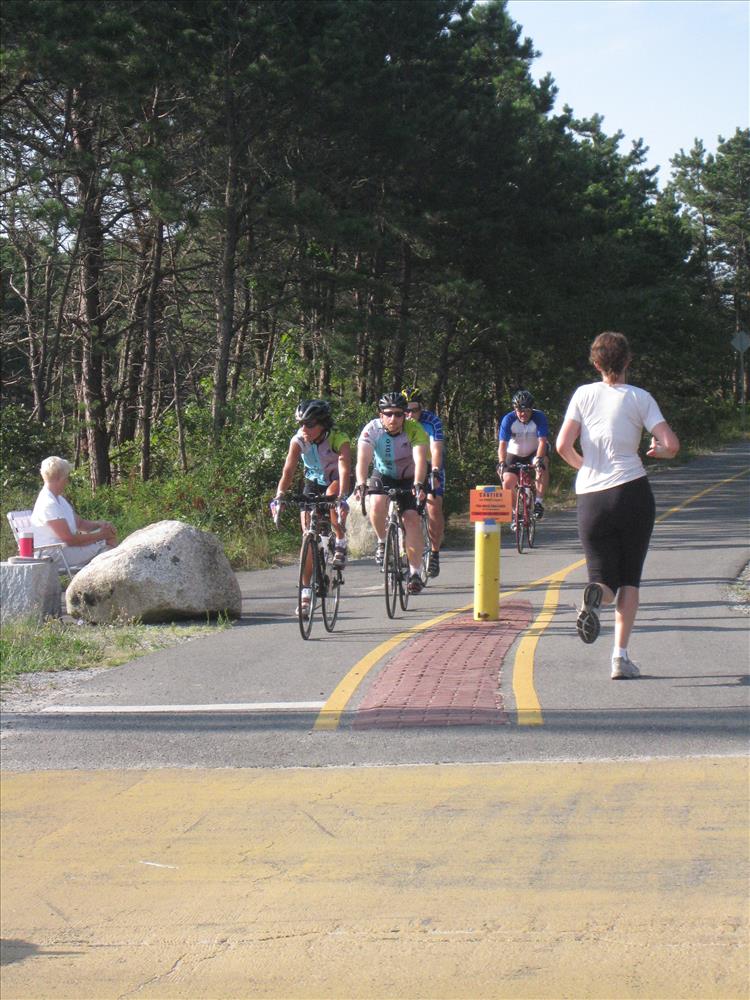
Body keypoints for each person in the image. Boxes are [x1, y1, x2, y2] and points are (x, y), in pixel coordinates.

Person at [556, 331, 680, 680]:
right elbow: (671, 444)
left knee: (602, 578)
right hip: (632, 493)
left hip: (591, 498)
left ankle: (595, 595)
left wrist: (587, 468)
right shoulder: (640, 398)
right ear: (628, 360)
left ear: (596, 363)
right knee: (630, 579)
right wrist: (659, 452)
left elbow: (562, 445)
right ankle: (619, 658)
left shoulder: (583, 394)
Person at [271, 400, 351, 618]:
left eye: (309, 424)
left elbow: (345, 469)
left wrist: (341, 498)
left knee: (331, 499)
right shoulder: (298, 440)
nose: (303, 428)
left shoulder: (338, 438)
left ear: (323, 424)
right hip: (313, 483)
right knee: (307, 535)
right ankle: (305, 593)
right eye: (301, 424)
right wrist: (279, 496)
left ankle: (340, 540)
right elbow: (288, 470)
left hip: (336, 481)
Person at [354, 391, 429, 595]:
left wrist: (418, 483)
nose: (393, 419)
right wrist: (361, 483)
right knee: (377, 503)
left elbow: (420, 460)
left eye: (398, 414)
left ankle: (415, 573)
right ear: (381, 415)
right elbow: (363, 460)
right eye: (388, 414)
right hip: (384, 474)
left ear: (405, 415)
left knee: (411, 519)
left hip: (410, 476)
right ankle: (382, 541)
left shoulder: (415, 429)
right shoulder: (372, 429)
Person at [30, 456, 118, 569]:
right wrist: (101, 535)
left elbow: (80, 523)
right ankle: (108, 576)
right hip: (55, 554)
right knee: (107, 543)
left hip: (64, 549)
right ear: (58, 478)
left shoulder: (59, 499)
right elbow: (69, 539)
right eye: (66, 477)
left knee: (108, 536)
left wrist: (100, 524)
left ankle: (105, 575)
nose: (67, 481)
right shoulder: (48, 504)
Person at [405, 390, 444, 577]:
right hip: (406, 468)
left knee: (433, 505)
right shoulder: (397, 422)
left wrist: (435, 470)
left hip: (429, 465)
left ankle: (435, 552)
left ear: (421, 408)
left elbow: (436, 449)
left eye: (414, 410)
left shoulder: (432, 421)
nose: (410, 415)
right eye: (406, 411)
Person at [497, 389, 550, 526]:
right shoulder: (508, 419)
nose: (523, 414)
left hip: (534, 451)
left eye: (526, 410)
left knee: (543, 464)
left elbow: (542, 441)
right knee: (506, 483)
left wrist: (539, 459)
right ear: (515, 409)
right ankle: (516, 513)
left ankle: (538, 502)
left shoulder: (539, 417)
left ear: (532, 409)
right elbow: (502, 444)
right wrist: (502, 462)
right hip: (514, 453)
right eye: (519, 410)